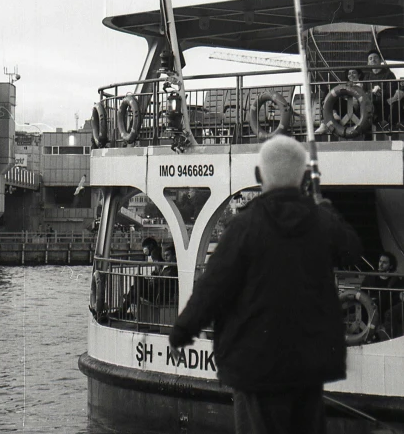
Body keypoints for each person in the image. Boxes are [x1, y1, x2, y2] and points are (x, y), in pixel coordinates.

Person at [168, 135, 362, 434]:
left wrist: (183, 331)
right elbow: (352, 250)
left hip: (255, 365)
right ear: (305, 177)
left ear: (259, 176)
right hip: (309, 365)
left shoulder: (245, 226)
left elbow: (213, 287)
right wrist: (327, 209)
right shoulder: (321, 221)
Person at [363, 252, 404, 339]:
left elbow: (397, 298)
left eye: (384, 263)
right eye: (380, 261)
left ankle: (382, 335)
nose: (380, 264)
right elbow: (362, 291)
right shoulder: (370, 277)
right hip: (370, 307)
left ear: (391, 266)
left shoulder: (395, 280)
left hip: (386, 309)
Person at [366, 49, 403, 131]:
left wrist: (379, 93)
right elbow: (364, 92)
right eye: (370, 58)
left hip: (385, 102)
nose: (373, 60)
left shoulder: (389, 74)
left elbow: (391, 90)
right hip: (372, 103)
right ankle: (382, 125)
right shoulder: (367, 77)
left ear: (380, 60)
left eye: (375, 57)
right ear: (368, 63)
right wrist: (372, 93)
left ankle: (390, 125)